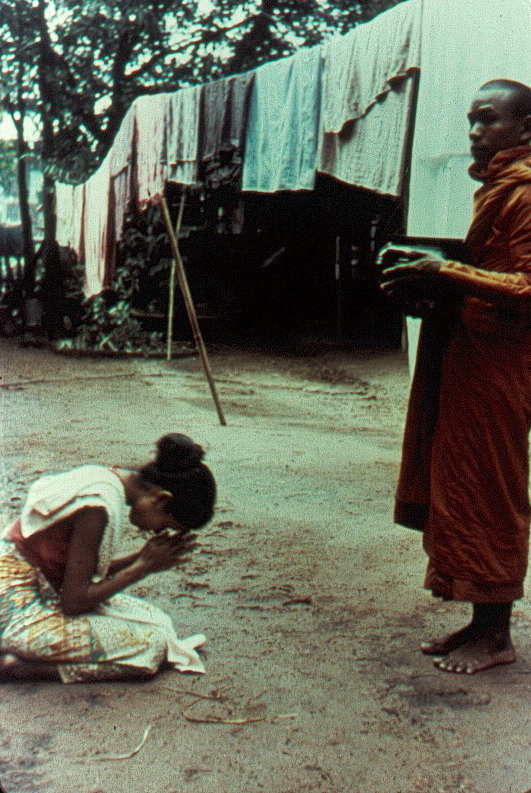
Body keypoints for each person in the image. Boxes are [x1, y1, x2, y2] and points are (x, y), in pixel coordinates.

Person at [378, 79, 531, 675]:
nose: (474, 132)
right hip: (472, 354)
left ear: (525, 128)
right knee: (462, 483)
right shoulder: (498, 188)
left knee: (490, 489)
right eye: (471, 120)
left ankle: (497, 636)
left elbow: (526, 286)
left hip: (504, 364)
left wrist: (448, 274)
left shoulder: (525, 192)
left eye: (488, 119)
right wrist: (432, 285)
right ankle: (479, 621)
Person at [0, 433, 216, 683]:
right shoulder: (98, 508)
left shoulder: (106, 478)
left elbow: (77, 571)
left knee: (157, 620)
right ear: (162, 500)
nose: (157, 532)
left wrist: (140, 558)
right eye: (166, 525)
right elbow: (74, 602)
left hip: (29, 583)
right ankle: (18, 667)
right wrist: (143, 567)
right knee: (153, 644)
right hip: (15, 606)